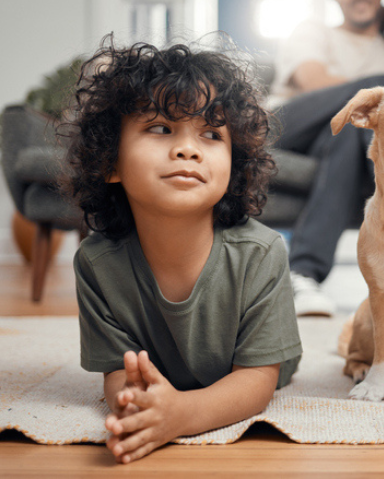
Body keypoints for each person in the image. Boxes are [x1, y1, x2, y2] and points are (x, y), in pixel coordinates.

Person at [62, 38, 302, 464]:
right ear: (109, 163)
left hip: (253, 370)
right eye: (160, 128)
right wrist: (136, 408)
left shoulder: (262, 252)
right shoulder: (97, 264)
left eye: (212, 134)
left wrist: (182, 415)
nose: (188, 148)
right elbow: (119, 373)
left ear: (235, 164)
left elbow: (257, 382)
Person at [270, 0, 384, 317]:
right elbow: (312, 82)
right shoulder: (314, 31)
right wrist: (379, 92)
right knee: (382, 88)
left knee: (349, 132)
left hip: (335, 141)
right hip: (280, 128)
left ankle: (303, 275)